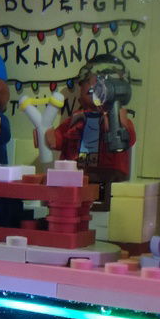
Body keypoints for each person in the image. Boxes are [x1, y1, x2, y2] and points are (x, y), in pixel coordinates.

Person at [45, 55, 136, 208]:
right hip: (76, 177)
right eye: (87, 82)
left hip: (107, 178)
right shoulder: (77, 118)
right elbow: (60, 138)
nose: (90, 86)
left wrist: (113, 117)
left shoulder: (116, 118)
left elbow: (127, 138)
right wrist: (50, 136)